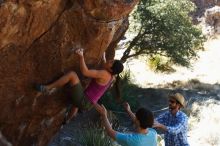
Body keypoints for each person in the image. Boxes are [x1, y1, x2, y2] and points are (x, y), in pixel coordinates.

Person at [35, 48, 124, 122]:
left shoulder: (104, 74)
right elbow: (105, 64)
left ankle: (47, 88)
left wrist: (81, 56)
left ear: (111, 70)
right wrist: (104, 57)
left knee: (72, 75)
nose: (109, 61)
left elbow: (85, 72)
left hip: (85, 101)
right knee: (76, 103)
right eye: (111, 60)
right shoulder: (112, 77)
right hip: (88, 104)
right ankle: (67, 120)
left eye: (111, 62)